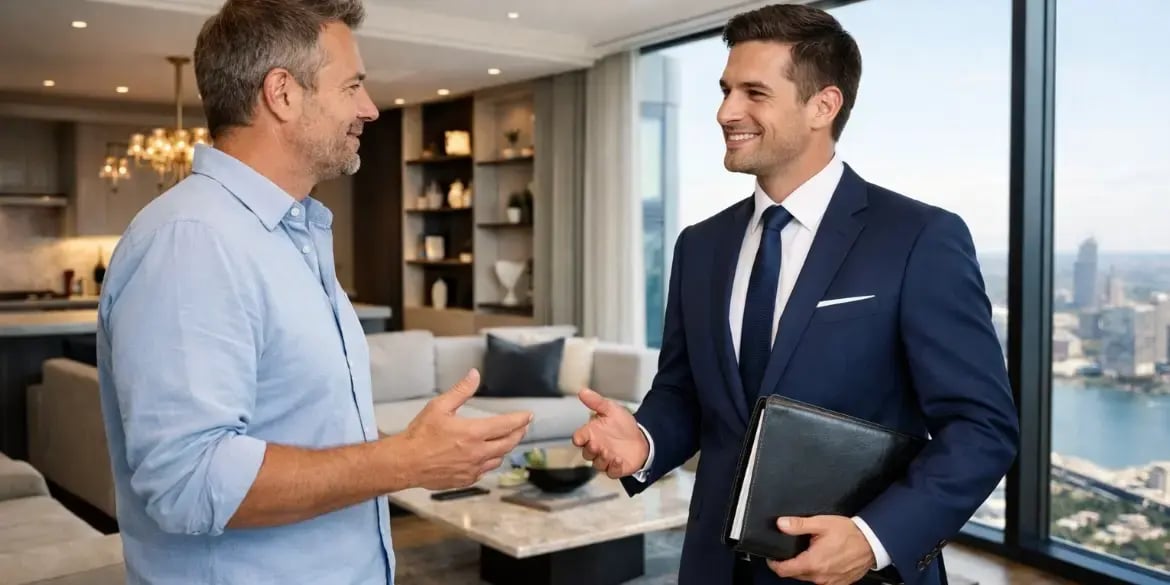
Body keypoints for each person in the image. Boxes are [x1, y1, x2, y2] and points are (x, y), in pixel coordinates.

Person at [571, 4, 1019, 585]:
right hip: (713, 567)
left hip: (854, 574)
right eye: (726, 90)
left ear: (822, 106)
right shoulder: (700, 246)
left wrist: (872, 538)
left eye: (753, 93)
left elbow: (981, 427)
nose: (726, 111)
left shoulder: (919, 239)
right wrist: (646, 439)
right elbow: (686, 390)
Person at [95, 1, 531, 583]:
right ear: (282, 93)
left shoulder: (291, 234)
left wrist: (407, 451)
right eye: (352, 86)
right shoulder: (193, 241)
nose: (370, 109)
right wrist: (403, 460)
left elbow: (305, 430)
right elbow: (188, 480)